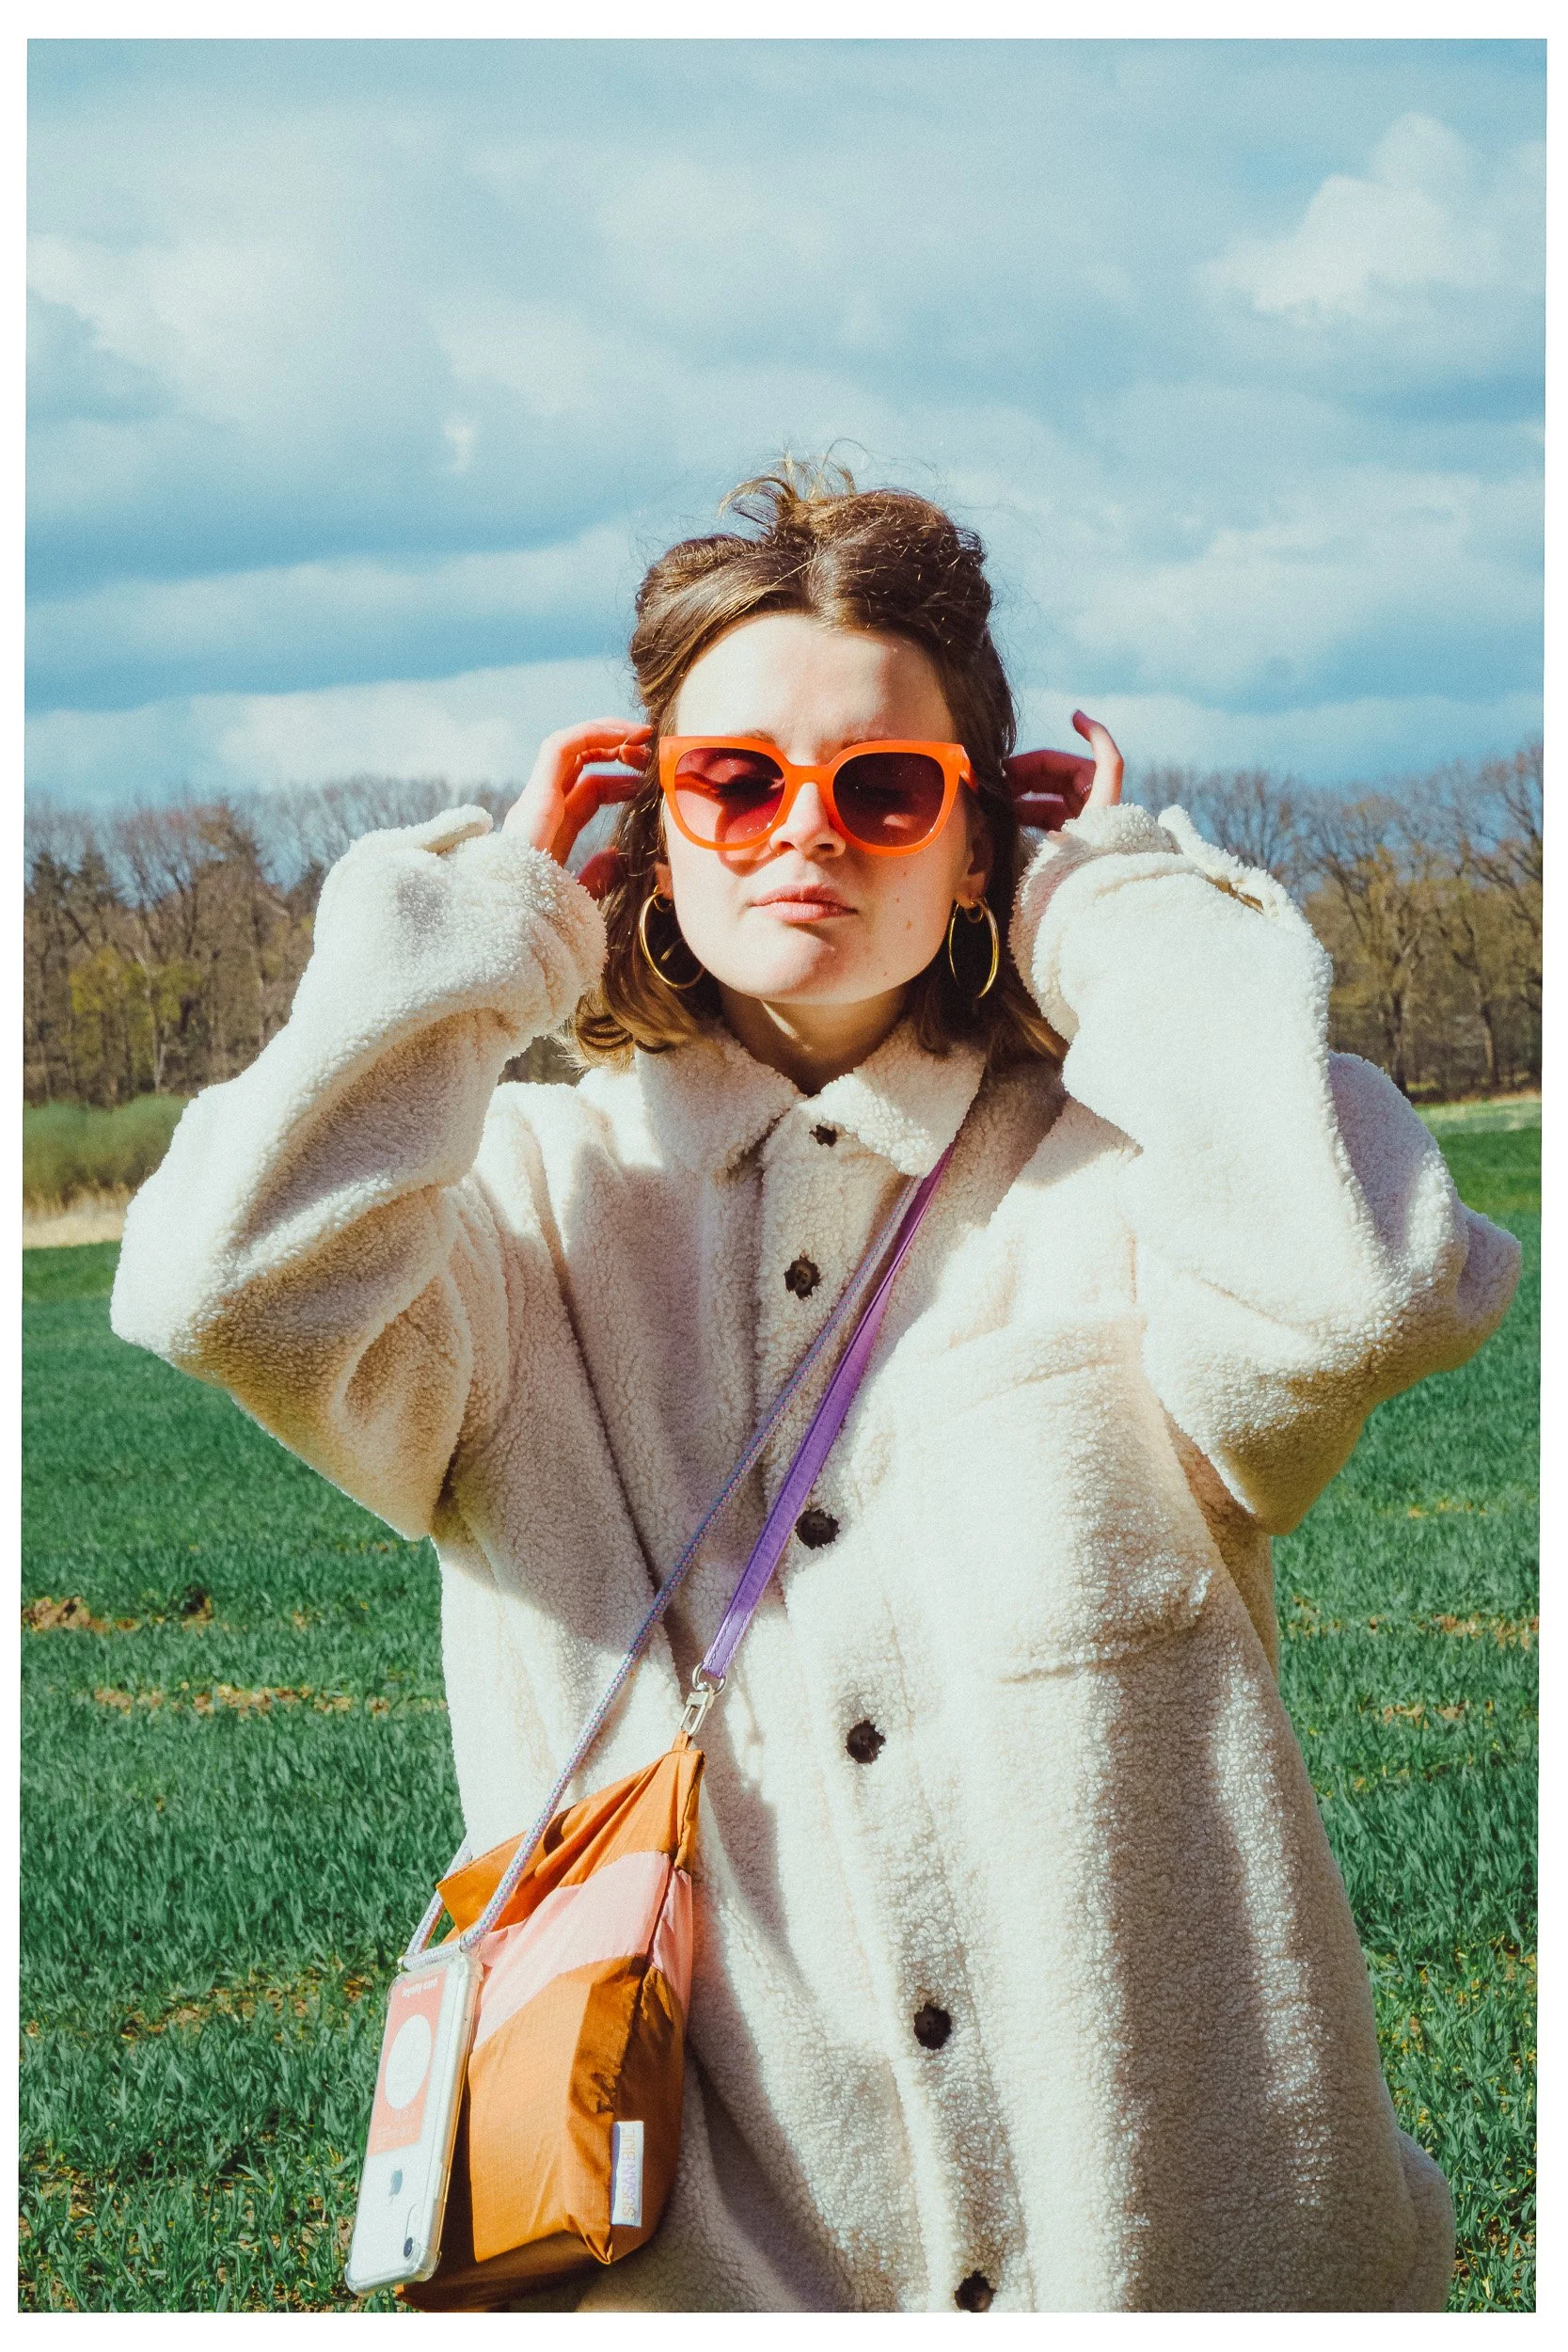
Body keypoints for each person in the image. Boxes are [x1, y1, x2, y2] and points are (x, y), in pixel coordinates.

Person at [111, 462, 1520, 2312]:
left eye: (882, 787)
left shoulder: (1117, 1187)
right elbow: (221, 1277)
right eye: (732, 779)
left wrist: (1119, 922)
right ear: (645, 822)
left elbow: (1359, 1283)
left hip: (1183, 2267)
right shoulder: (519, 1218)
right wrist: (479, 930)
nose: (805, 832)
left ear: (975, 843)